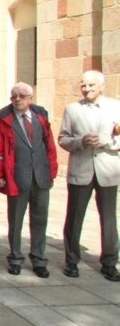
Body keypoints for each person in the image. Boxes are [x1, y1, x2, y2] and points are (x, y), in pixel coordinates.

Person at [0, 82, 58, 278]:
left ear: (30, 98)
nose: (17, 99)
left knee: (40, 220)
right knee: (16, 221)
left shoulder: (40, 116)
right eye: (13, 96)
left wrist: (52, 170)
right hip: (16, 177)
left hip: (41, 176)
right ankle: (15, 258)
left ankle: (38, 259)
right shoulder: (3, 118)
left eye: (21, 96)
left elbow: (49, 144)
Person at [58, 70, 120, 282]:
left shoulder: (116, 107)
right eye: (84, 85)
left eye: (92, 86)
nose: (87, 89)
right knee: (75, 217)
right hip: (81, 170)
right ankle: (71, 261)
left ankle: (110, 263)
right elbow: (63, 139)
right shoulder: (72, 109)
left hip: (108, 170)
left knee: (109, 219)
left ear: (102, 85)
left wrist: (107, 141)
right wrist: (80, 141)